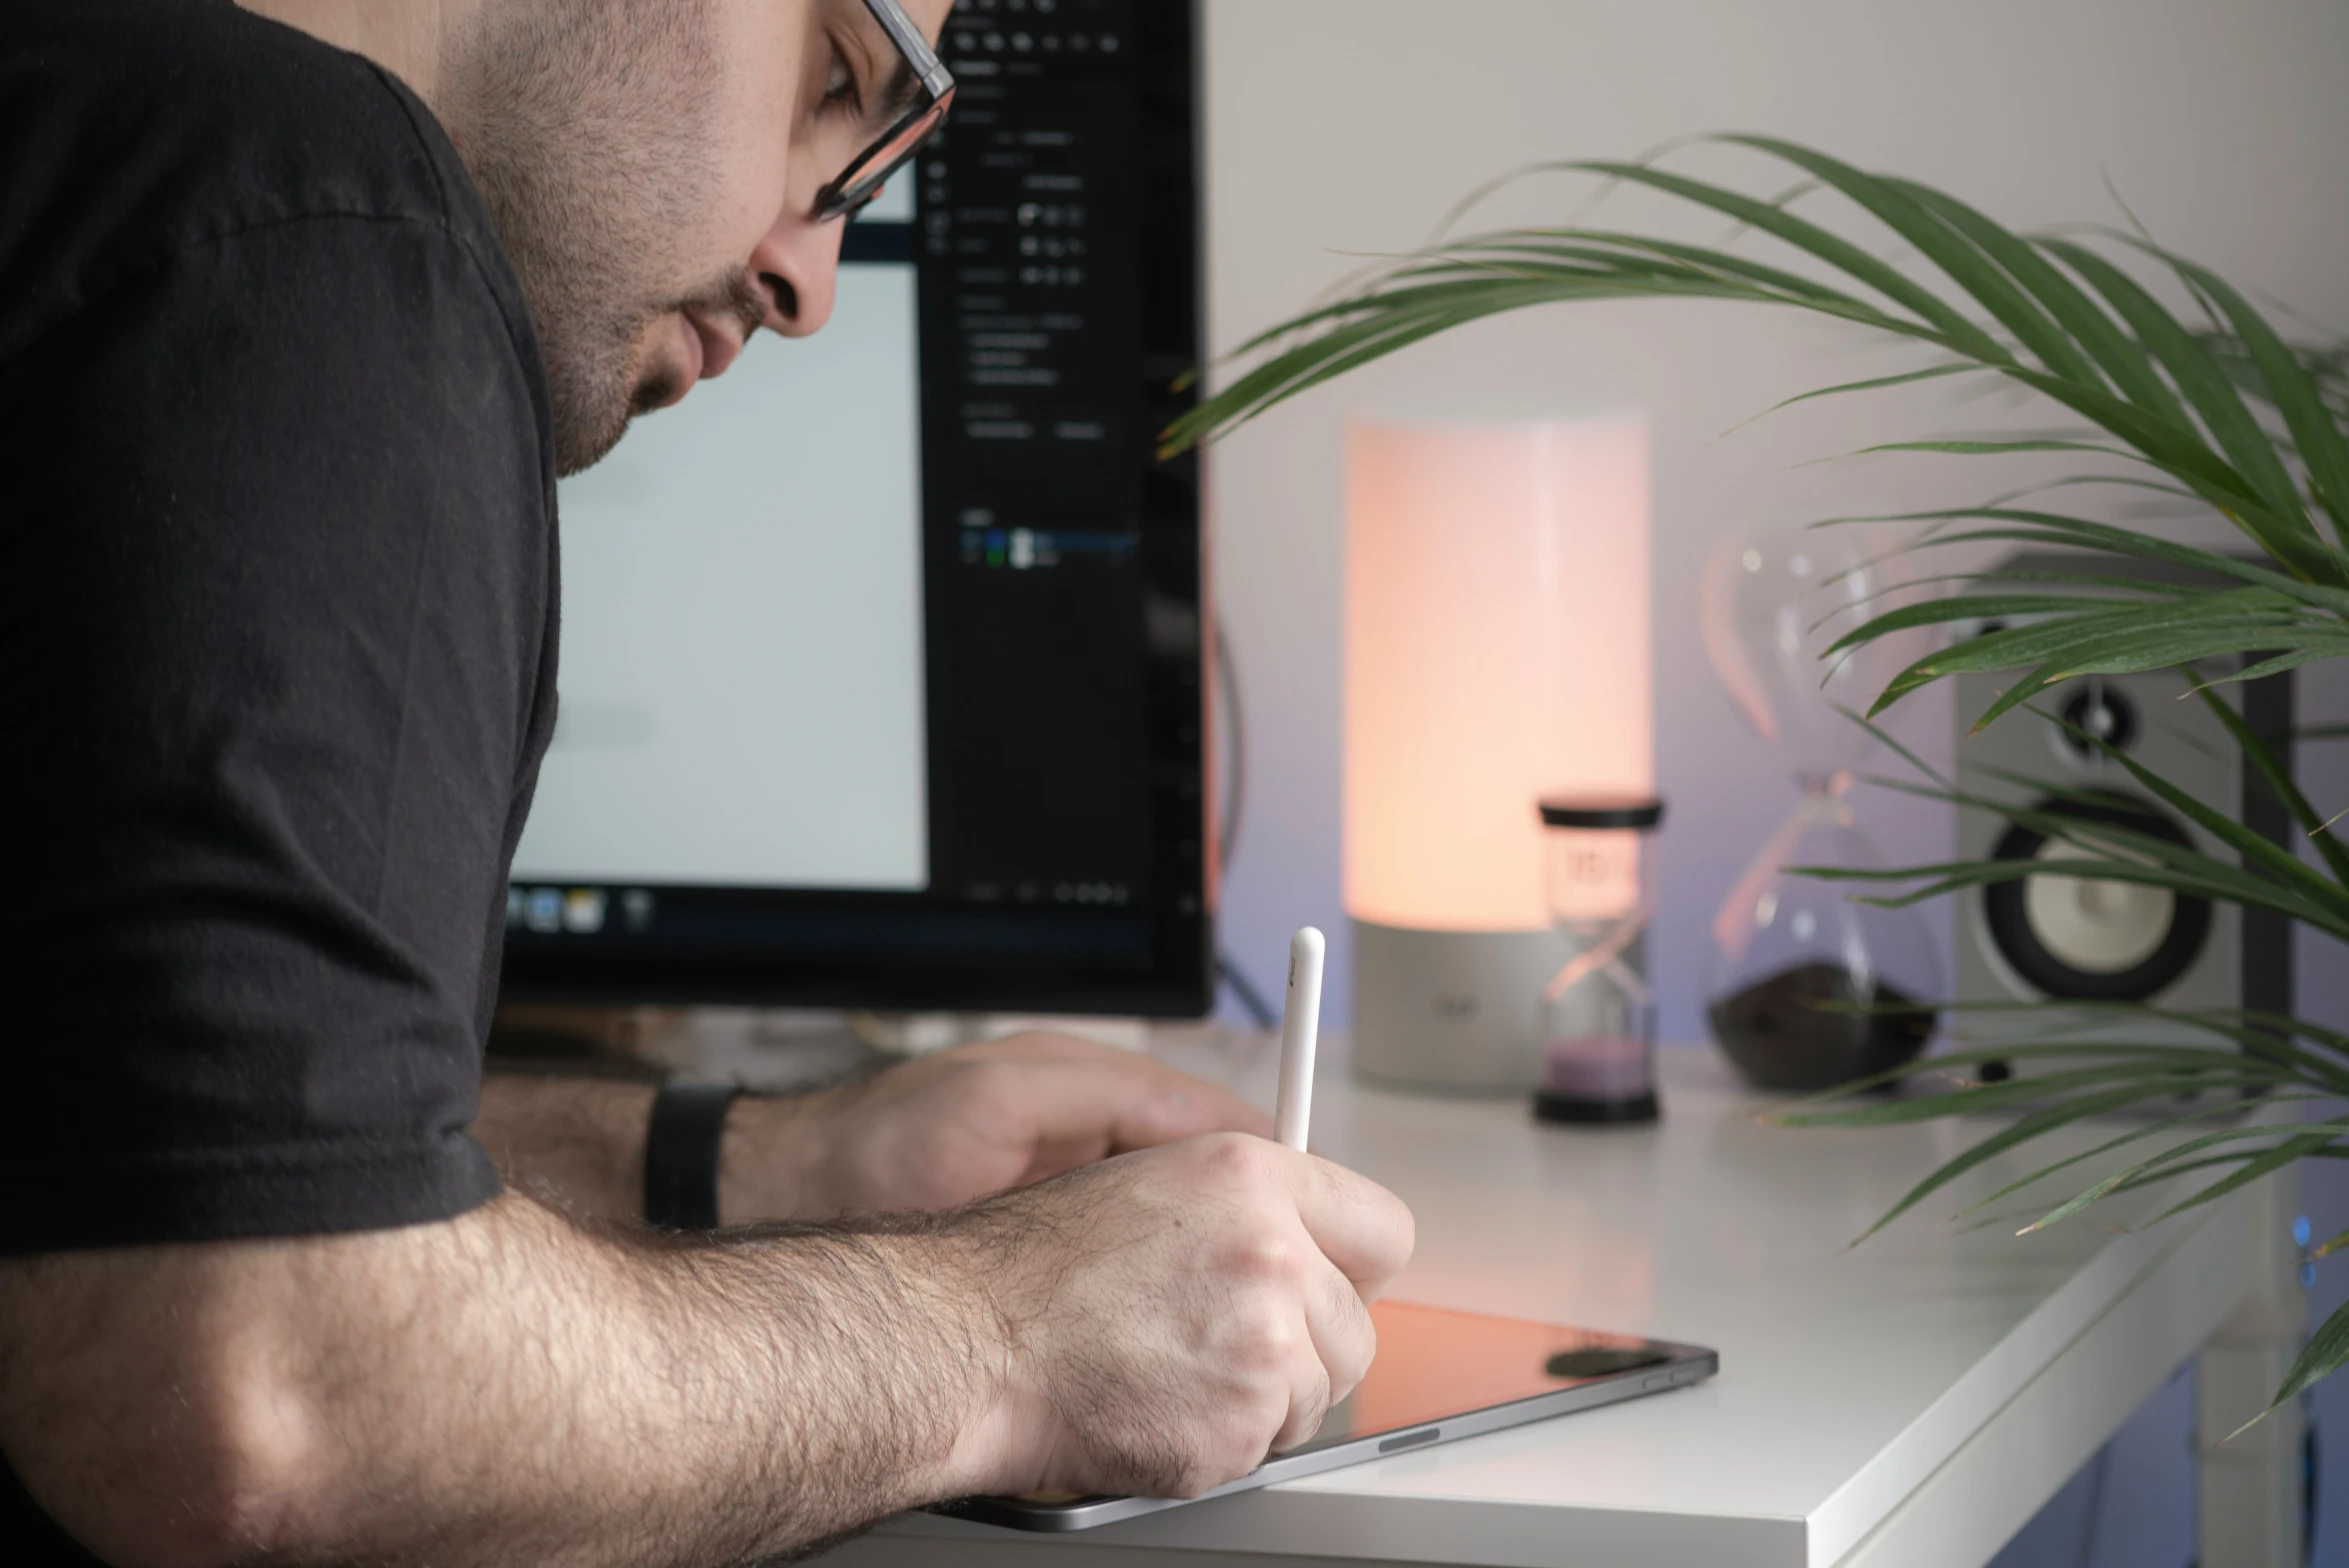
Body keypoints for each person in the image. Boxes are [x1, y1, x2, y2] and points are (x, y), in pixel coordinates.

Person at [0, 1, 1417, 1564]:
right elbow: (269, 1393)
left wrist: (757, 1166)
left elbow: (119, 1167)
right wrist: (1012, 1327)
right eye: (835, 87)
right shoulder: (320, 210)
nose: (810, 283)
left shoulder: (88, 129)